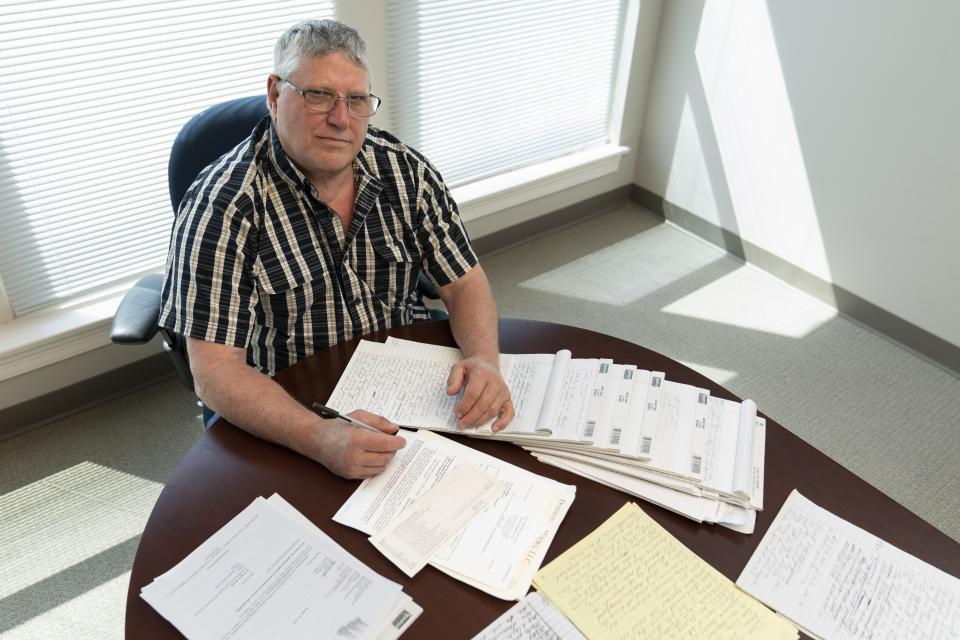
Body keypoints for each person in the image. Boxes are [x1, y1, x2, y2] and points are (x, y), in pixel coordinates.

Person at [159, 19, 513, 479]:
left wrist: (483, 357)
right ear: (274, 94)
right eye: (318, 95)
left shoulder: (405, 172)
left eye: (356, 100)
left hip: (409, 383)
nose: (341, 119)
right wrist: (317, 436)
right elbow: (216, 371)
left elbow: (464, 282)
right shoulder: (224, 205)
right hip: (294, 402)